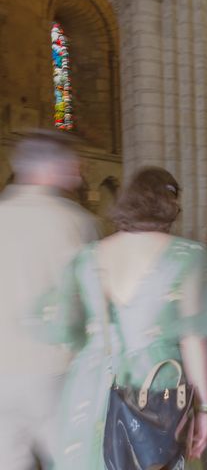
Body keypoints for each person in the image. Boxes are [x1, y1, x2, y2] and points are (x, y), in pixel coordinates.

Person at [35, 167, 207, 469]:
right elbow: (194, 339)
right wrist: (206, 407)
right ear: (171, 204)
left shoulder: (87, 256)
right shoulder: (189, 256)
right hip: (156, 389)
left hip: (90, 390)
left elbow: (67, 333)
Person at [0, 130, 99, 470]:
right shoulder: (72, 220)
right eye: (74, 164)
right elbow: (90, 301)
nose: (79, 171)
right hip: (53, 372)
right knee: (77, 460)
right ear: (52, 168)